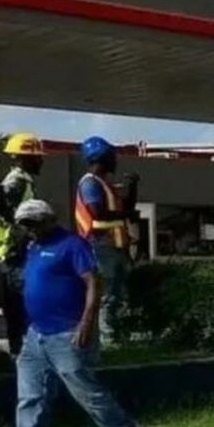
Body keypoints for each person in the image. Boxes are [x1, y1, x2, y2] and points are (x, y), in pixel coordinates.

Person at [2, 200, 148, 427]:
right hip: (36, 336)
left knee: (86, 392)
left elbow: (93, 282)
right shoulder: (34, 247)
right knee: (30, 396)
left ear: (49, 219)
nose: (28, 230)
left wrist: (86, 323)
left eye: (32, 224)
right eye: (24, 225)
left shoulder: (72, 245)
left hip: (68, 333)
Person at [75, 136, 138, 345]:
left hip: (115, 247)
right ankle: (107, 339)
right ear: (101, 158)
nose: (115, 160)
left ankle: (117, 335)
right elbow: (97, 214)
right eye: (112, 156)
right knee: (108, 293)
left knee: (120, 292)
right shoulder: (90, 184)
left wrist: (132, 188)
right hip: (100, 245)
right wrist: (124, 216)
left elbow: (124, 209)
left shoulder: (104, 184)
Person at [0, 132, 45, 358]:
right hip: (13, 253)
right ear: (21, 158)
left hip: (14, 251)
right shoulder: (16, 182)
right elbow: (8, 213)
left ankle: (22, 352)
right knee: (20, 306)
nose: (41, 161)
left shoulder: (23, 181)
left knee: (18, 306)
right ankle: (22, 353)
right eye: (36, 157)